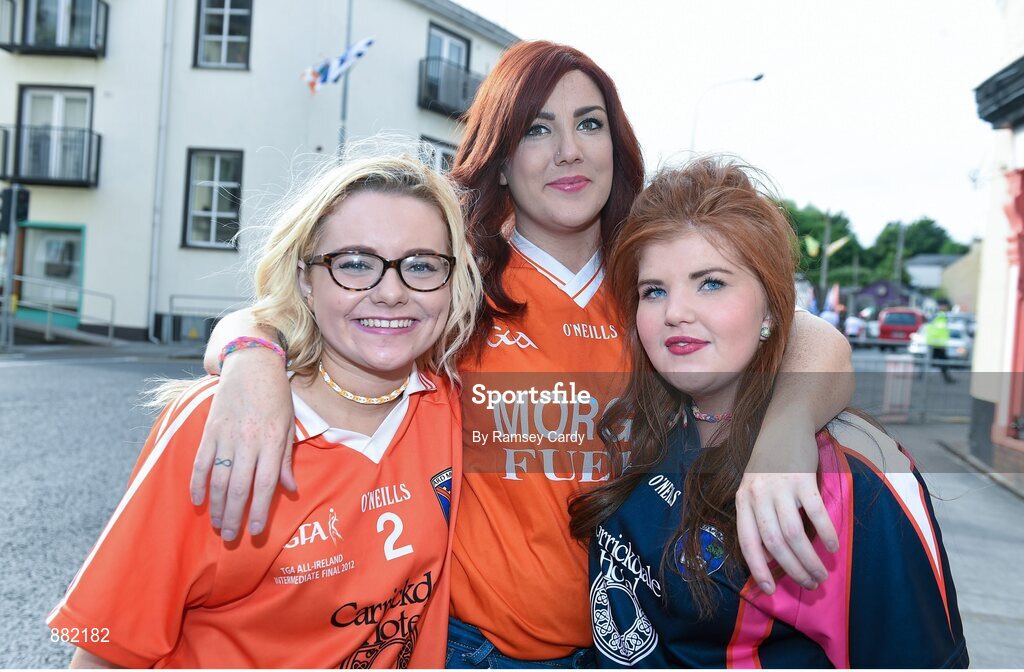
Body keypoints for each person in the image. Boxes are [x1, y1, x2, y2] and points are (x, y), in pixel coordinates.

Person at [192, 42, 856, 666]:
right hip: (476, 649)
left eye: (589, 124)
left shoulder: (650, 286)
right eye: (537, 129)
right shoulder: (459, 285)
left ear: (616, 146)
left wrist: (784, 430)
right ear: (500, 159)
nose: (569, 150)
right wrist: (251, 360)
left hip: (638, 646)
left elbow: (811, 335)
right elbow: (280, 311)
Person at [46, 155, 483, 668]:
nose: (391, 291)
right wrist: (252, 346)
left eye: (422, 265)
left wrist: (251, 341)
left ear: (452, 281)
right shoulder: (222, 424)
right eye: (355, 264)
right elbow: (107, 651)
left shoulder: (454, 407)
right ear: (304, 279)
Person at [570, 158, 968, 668]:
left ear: (772, 310)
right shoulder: (650, 425)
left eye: (710, 282)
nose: (675, 312)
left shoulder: (851, 474)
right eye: (654, 291)